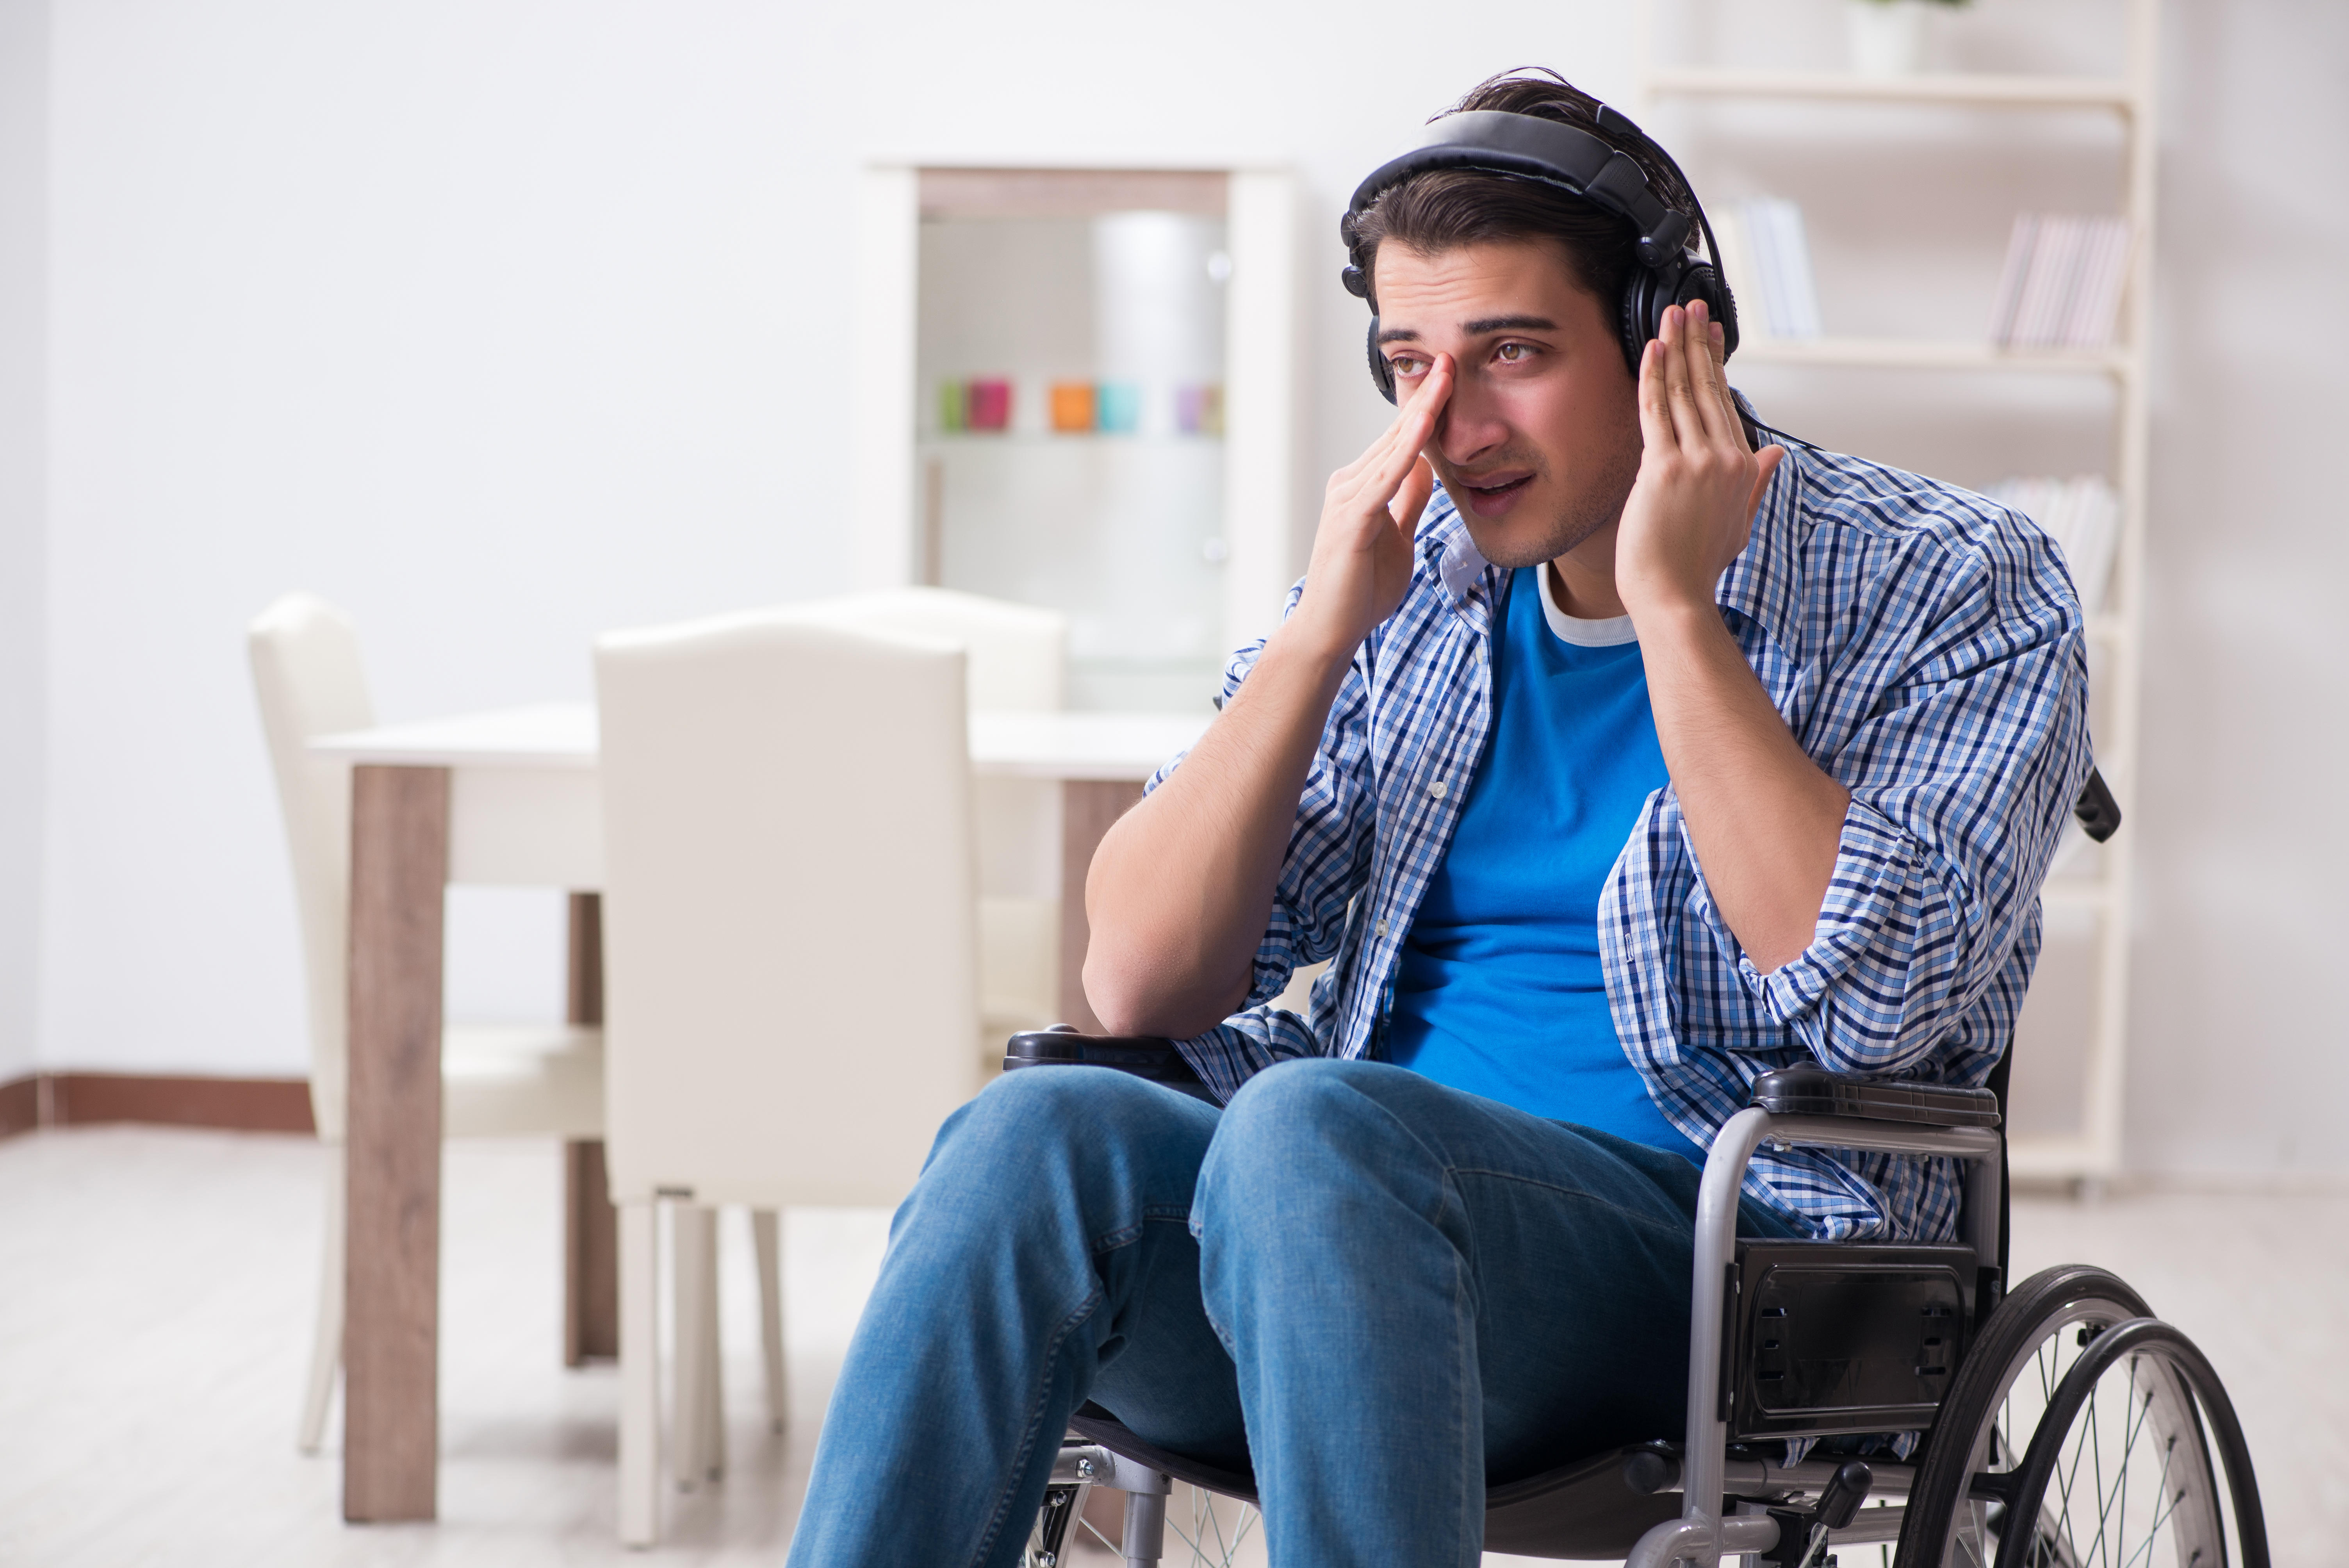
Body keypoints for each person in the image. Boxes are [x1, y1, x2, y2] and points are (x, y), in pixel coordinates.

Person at [785, 68, 2089, 1567]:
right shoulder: (1419, 593)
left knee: (1311, 1126)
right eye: (1409, 362)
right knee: (1033, 1133)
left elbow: (1868, 996)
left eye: (1511, 353)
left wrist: (1676, 611)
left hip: (1729, 1275)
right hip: (1325, 1242)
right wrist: (1314, 640)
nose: (1452, 426)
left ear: (1677, 338)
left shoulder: (1954, 584)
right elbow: (1136, 982)